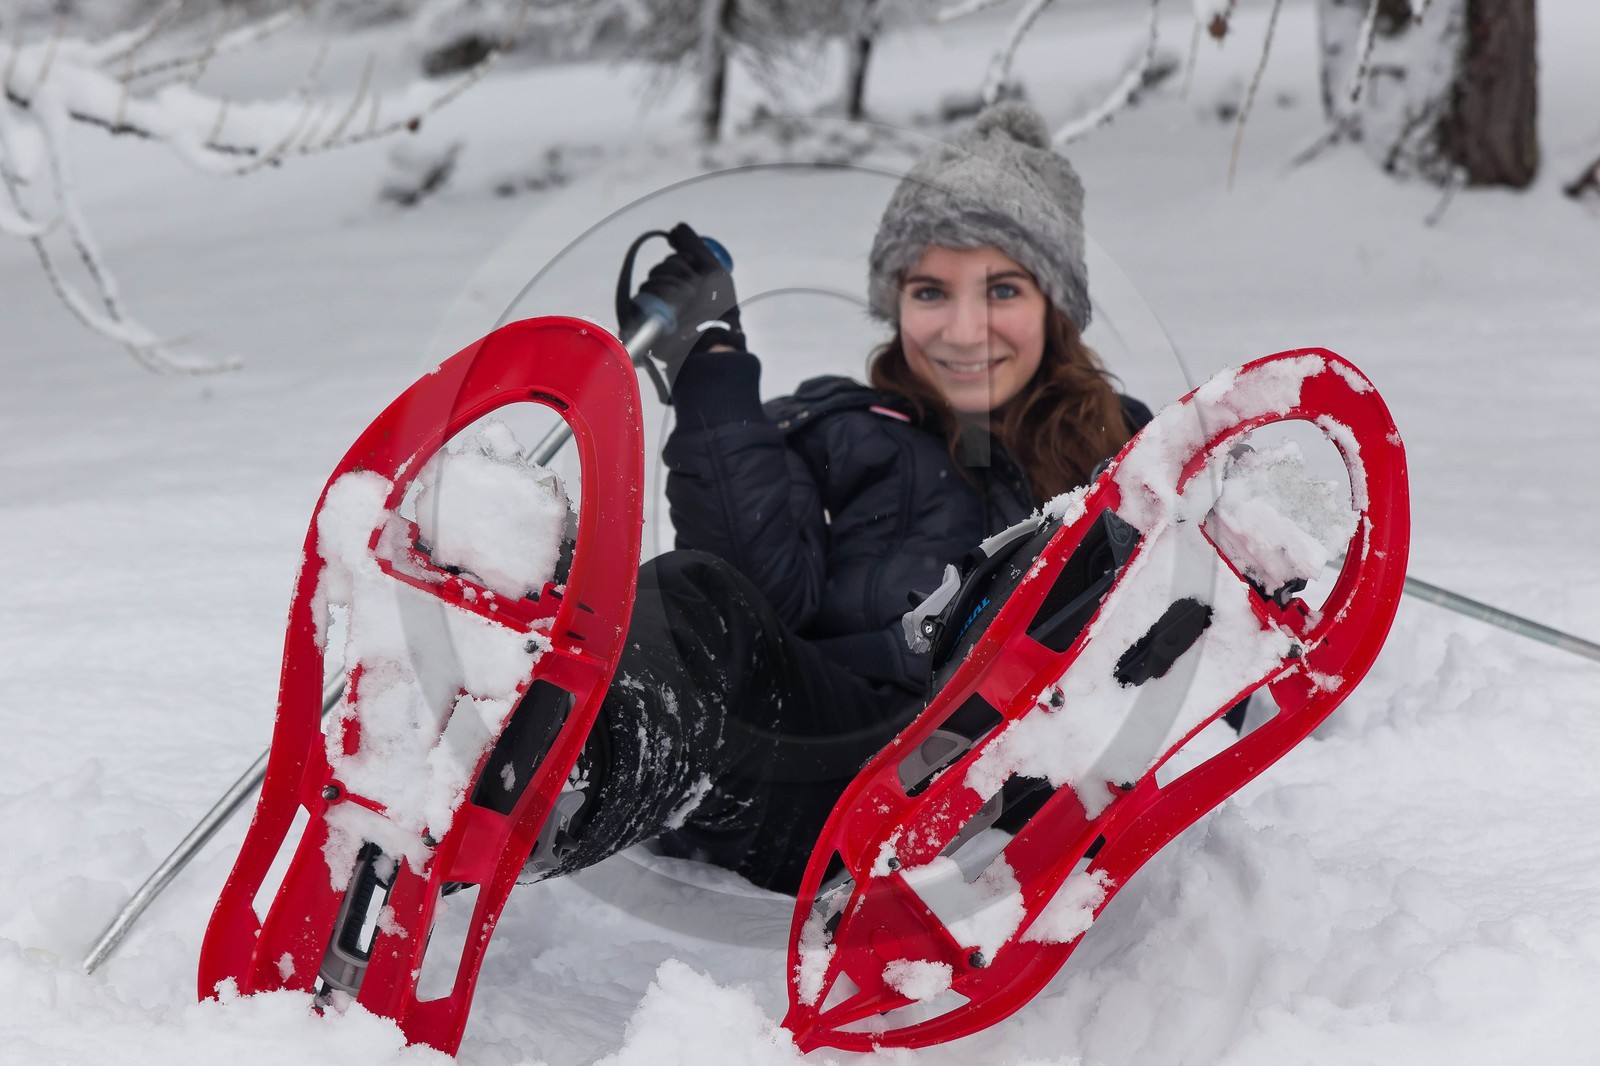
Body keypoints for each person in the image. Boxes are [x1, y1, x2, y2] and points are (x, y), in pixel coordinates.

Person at [510, 102, 1152, 896]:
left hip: (1003, 802)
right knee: (691, 597)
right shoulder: (840, 425)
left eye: (1003, 289)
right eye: (929, 292)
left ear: (1057, 304)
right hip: (827, 784)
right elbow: (757, 591)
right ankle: (532, 781)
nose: (962, 327)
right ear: (895, 302)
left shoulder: (1127, 456)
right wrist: (711, 366)